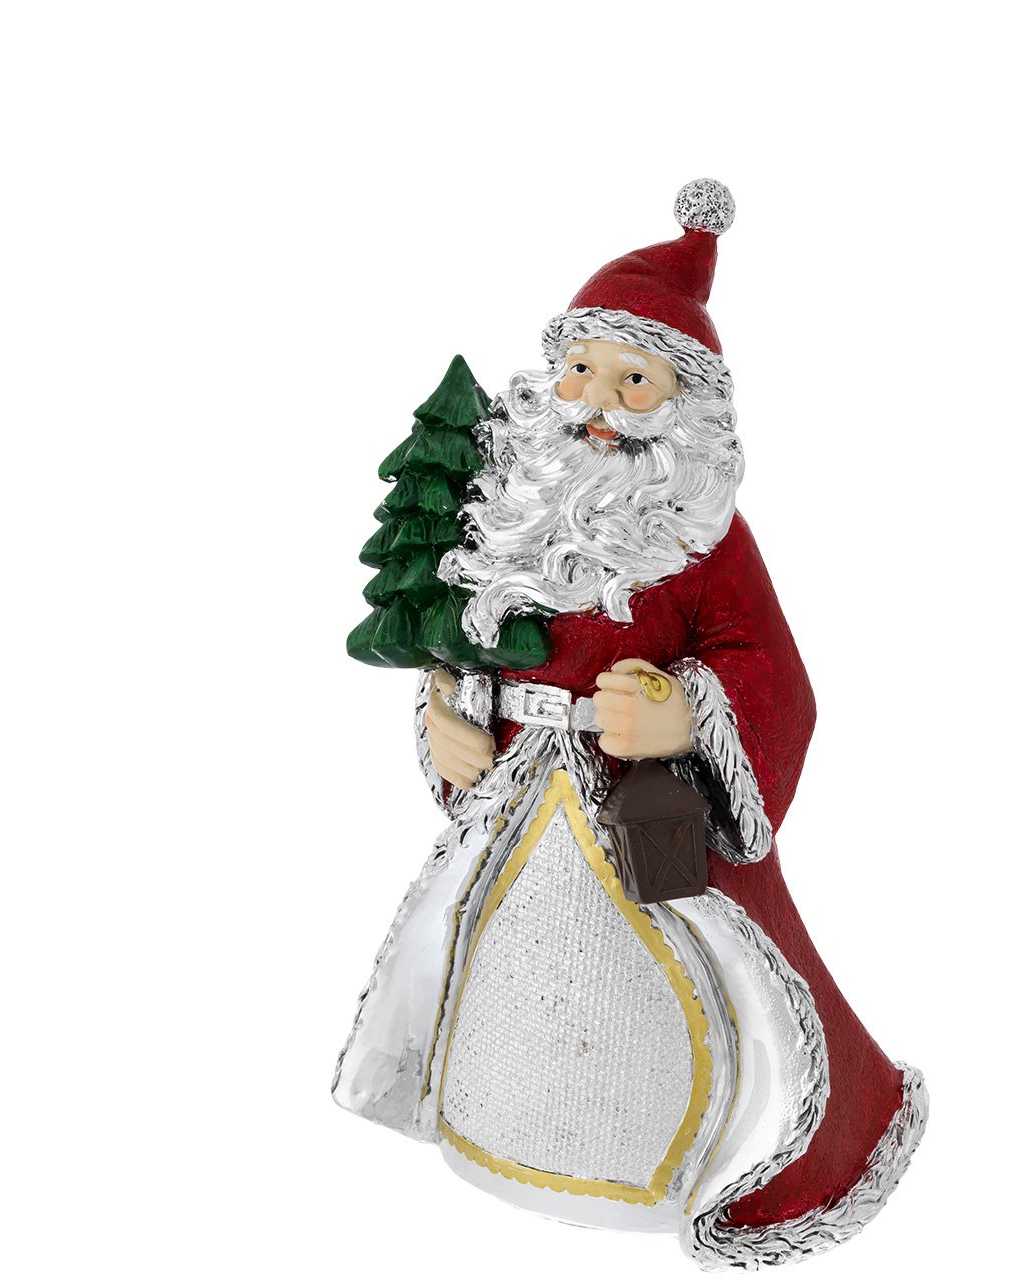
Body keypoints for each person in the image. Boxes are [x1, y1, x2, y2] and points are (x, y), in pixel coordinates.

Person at [333, 180, 926, 1268]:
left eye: (634, 380)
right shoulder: (509, 512)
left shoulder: (700, 536)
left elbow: (772, 673)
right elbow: (468, 642)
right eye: (580, 372)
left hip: (641, 819)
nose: (598, 402)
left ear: (682, 409)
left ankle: (654, 1159)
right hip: (519, 802)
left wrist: (684, 709)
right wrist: (450, 715)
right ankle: (506, 1136)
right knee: (504, 967)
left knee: (666, 988)